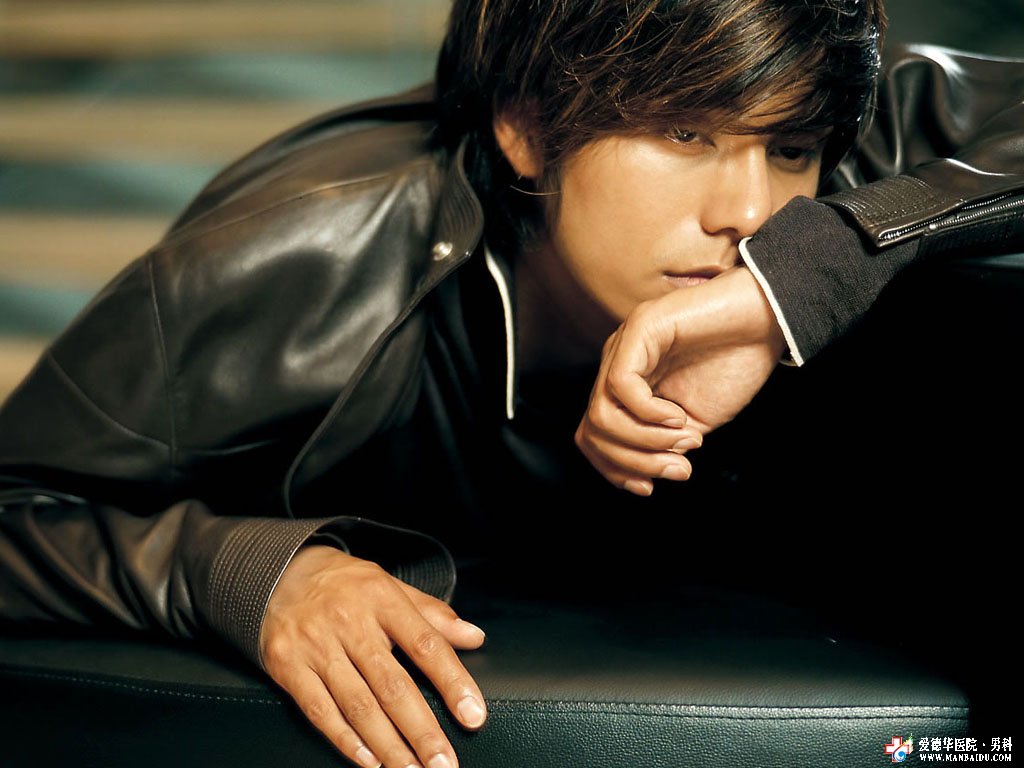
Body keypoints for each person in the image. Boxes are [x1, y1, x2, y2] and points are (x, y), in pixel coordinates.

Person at [1, 1, 1022, 766]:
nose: (750, 212)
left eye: (789, 149)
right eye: (685, 134)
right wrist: (255, 573)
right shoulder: (306, 253)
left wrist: (810, 273)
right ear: (527, 127)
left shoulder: (826, 178)